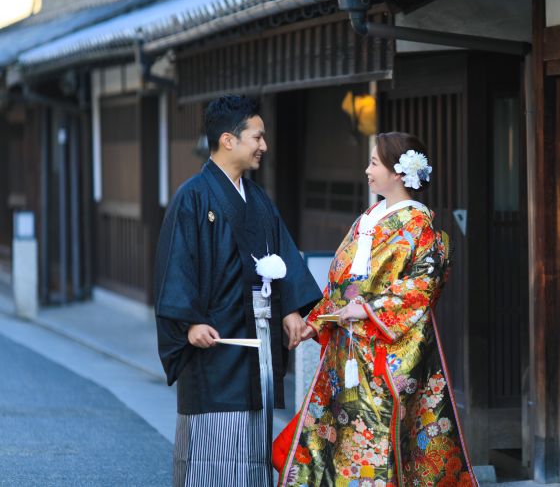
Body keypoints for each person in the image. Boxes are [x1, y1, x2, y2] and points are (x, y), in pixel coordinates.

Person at [275, 132, 477, 487]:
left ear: (399, 172)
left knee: (373, 443)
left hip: (384, 355)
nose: (367, 170)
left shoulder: (420, 225)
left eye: (373, 163)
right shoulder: (367, 218)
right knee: (334, 440)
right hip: (347, 354)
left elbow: (422, 287)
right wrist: (316, 322)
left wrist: (368, 310)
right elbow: (341, 283)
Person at [154, 95, 322, 487]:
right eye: (257, 137)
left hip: (257, 344)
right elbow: (175, 264)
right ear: (228, 140)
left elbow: (281, 254)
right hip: (214, 344)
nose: (263, 146)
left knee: (252, 447)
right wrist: (189, 322)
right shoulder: (193, 196)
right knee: (212, 451)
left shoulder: (258, 200)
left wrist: (290, 311)